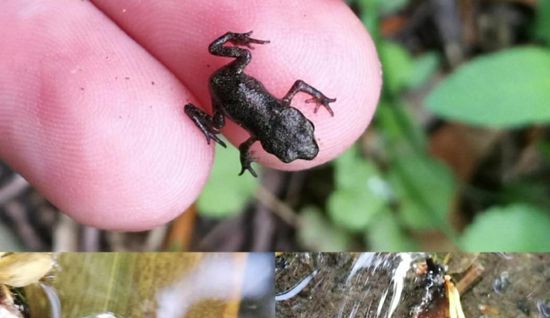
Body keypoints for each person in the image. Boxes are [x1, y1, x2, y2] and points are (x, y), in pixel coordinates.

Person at [0, 0, 381, 231]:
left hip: (231, 84)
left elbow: (297, 85)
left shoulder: (278, 112)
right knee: (217, 123)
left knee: (235, 79)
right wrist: (248, 159)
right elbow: (251, 142)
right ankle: (197, 110)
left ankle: (208, 96)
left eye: (287, 150)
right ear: (290, 120)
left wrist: (316, 96)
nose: (299, 143)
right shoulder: (256, 135)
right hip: (226, 87)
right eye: (304, 130)